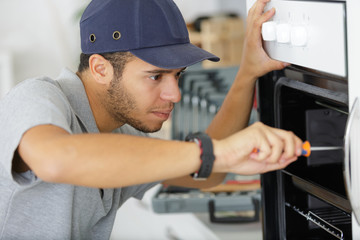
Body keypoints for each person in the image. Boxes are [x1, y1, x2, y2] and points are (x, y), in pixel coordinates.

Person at [0, 0, 303, 239]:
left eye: (177, 76)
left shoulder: (119, 138)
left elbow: (207, 172)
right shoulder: (36, 97)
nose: (175, 94)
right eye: (155, 76)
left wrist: (247, 72)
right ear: (101, 69)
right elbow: (56, 160)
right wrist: (217, 153)